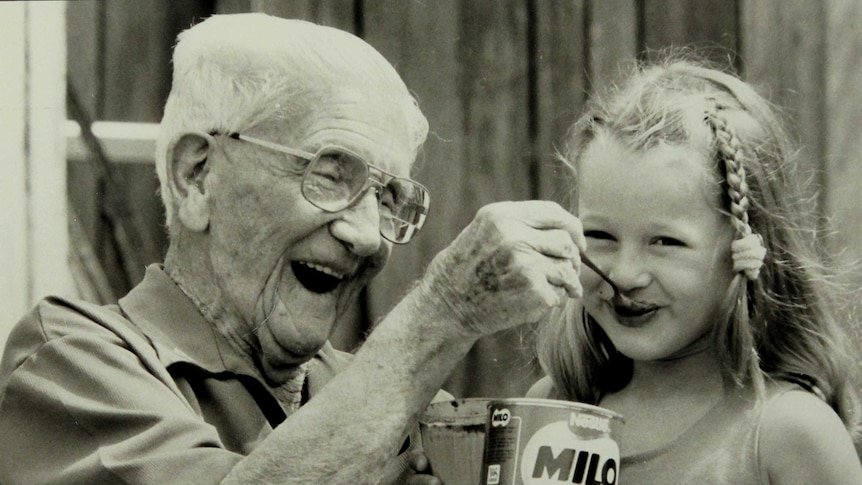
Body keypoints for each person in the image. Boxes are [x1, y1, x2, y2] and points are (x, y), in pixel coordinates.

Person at [0, 13, 588, 485]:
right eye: (331, 174)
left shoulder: (405, 402)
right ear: (197, 176)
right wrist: (444, 313)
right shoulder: (68, 362)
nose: (364, 234)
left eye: (386, 197)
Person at [528, 55, 862, 483]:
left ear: (746, 247)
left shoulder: (787, 432)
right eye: (601, 236)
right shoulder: (554, 408)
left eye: (665, 242)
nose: (626, 274)